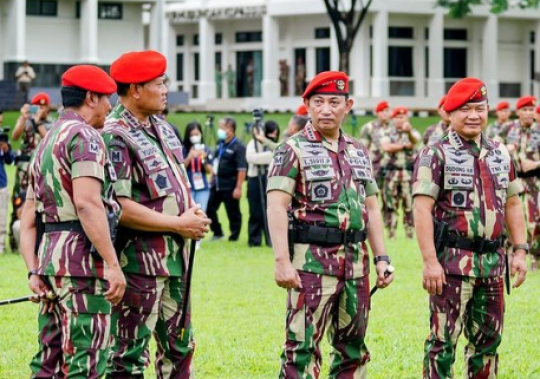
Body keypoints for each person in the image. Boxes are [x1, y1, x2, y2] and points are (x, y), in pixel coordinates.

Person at [267, 71, 394, 379]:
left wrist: (381, 258)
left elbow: (373, 207)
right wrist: (282, 262)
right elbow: (276, 205)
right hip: (311, 265)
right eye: (318, 102)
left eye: (334, 102)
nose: (326, 109)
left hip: (356, 264)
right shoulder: (292, 149)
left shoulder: (357, 150)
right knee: (302, 348)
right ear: (306, 105)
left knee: (353, 349)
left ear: (347, 105)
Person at [102, 50, 211, 379]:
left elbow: (174, 185)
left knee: (180, 348)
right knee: (128, 355)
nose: (165, 89)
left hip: (176, 259)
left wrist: (190, 211)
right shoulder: (115, 135)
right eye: (158, 83)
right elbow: (118, 206)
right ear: (135, 90)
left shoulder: (163, 128)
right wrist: (180, 223)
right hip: (138, 263)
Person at [413, 78, 528, 379]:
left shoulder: (501, 153)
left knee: (488, 343)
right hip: (451, 265)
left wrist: (519, 250)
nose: (474, 115)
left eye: (479, 108)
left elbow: (513, 203)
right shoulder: (435, 155)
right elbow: (422, 209)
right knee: (442, 342)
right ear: (449, 113)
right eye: (465, 109)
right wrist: (429, 262)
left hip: (492, 265)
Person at [19, 64, 126, 379]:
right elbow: (87, 203)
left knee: (49, 358)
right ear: (91, 98)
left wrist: (33, 268)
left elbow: (28, 216)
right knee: (86, 358)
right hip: (81, 263)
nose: (110, 107)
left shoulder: (47, 140)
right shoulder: (85, 136)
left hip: (51, 260)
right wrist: (112, 263)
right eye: (106, 98)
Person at [9, 92, 53, 250]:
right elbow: (15, 136)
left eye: (42, 107)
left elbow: (49, 139)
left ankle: (37, 239)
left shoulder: (50, 124)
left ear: (47, 108)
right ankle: (14, 242)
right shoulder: (26, 122)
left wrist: (37, 121)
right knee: (17, 202)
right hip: (24, 168)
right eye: (37, 107)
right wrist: (23, 117)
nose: (40, 110)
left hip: (40, 169)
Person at [507, 96, 540, 270]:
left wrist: (536, 164)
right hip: (513, 181)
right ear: (518, 112)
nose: (528, 113)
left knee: (534, 222)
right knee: (510, 220)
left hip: (535, 182)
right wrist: (506, 149)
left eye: (531, 110)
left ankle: (535, 257)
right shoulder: (508, 129)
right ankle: (513, 255)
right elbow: (490, 147)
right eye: (524, 109)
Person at [381, 106, 421, 238]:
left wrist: (408, 133)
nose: (399, 120)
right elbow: (386, 147)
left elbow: (415, 140)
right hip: (391, 175)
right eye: (397, 117)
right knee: (390, 205)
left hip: (408, 175)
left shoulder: (412, 132)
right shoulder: (388, 132)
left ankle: (410, 233)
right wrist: (403, 146)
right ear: (393, 119)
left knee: (409, 206)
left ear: (407, 118)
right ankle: (391, 233)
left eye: (402, 117)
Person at [207, 117, 247, 242]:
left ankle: (234, 236)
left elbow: (242, 169)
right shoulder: (220, 143)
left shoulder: (239, 146)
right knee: (209, 209)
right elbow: (215, 162)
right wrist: (211, 178)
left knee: (233, 212)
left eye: (222, 127)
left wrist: (238, 188)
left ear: (230, 129)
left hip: (230, 184)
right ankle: (217, 232)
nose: (220, 130)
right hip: (216, 183)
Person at [246, 120, 280, 247]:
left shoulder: (274, 144)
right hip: (255, 179)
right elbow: (251, 158)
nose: (273, 136)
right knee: (255, 211)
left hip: (270, 179)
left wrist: (265, 156)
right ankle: (254, 239)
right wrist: (268, 156)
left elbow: (276, 155)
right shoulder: (253, 144)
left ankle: (270, 238)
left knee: (270, 210)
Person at [183, 121, 213, 211]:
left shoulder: (205, 149)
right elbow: (180, 169)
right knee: (188, 214)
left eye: (197, 134)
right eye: (192, 135)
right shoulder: (183, 149)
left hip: (202, 188)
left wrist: (203, 158)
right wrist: (189, 157)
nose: (194, 137)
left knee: (201, 214)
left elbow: (210, 170)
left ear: (201, 134)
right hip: (188, 188)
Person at [0, 113, 14, 254]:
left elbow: (10, 161)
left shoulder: (2, 138)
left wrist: (6, 149)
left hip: (1, 183)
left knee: (2, 216)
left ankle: (1, 245)